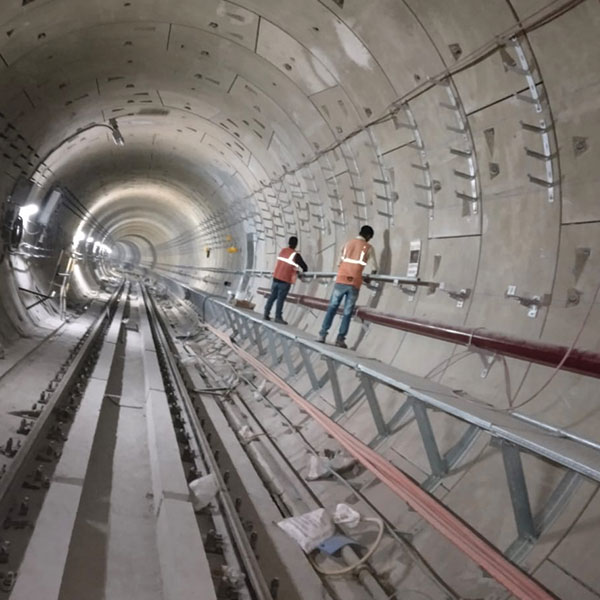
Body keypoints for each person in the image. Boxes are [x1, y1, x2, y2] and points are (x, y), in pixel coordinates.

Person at [318, 225, 377, 348]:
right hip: (355, 282)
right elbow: (375, 268)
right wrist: (369, 276)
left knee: (332, 307)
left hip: (341, 279)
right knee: (347, 312)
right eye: (370, 237)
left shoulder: (347, 244)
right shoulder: (368, 248)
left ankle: (322, 334)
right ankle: (340, 339)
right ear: (367, 236)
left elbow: (339, 262)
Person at [264, 236, 308, 324]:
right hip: (285, 280)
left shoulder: (283, 251)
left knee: (272, 297)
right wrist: (300, 272)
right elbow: (304, 267)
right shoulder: (295, 255)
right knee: (280, 299)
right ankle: (278, 317)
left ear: (289, 242)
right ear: (296, 244)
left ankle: (266, 313)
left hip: (276, 277)